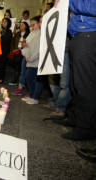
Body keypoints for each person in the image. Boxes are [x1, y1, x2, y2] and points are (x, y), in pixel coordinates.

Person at [54, 0, 96, 140]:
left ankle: (85, 128)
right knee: (74, 83)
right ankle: (74, 118)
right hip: (78, 34)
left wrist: (68, 1)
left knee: (84, 84)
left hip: (89, 32)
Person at [21, 16, 42, 105]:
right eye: (31, 25)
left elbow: (39, 49)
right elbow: (25, 45)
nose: (32, 27)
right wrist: (26, 55)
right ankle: (32, 95)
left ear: (39, 23)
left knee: (37, 80)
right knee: (28, 77)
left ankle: (35, 97)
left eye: (33, 25)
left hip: (36, 61)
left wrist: (32, 58)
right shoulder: (31, 33)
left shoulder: (41, 34)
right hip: (29, 60)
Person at [9, 22, 30, 87]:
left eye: (22, 25)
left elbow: (28, 44)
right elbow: (12, 42)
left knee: (20, 66)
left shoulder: (29, 34)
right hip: (15, 51)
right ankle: (16, 80)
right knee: (16, 65)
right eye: (20, 25)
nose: (21, 26)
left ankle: (20, 81)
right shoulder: (17, 33)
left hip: (24, 52)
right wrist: (13, 50)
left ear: (26, 26)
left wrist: (20, 49)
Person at [0, 18, 12, 83]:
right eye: (3, 22)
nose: (4, 23)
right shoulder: (1, 31)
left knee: (3, 65)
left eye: (5, 22)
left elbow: (7, 41)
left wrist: (1, 38)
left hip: (5, 50)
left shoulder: (9, 31)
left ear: (8, 23)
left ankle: (1, 78)